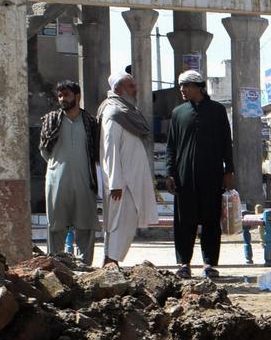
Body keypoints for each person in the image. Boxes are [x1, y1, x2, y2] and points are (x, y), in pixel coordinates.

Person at [162, 69, 236, 279]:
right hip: (184, 177)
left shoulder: (217, 111)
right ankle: (184, 263)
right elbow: (171, 147)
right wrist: (170, 173)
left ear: (199, 87)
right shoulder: (178, 113)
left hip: (212, 175)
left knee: (211, 220)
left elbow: (226, 144)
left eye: (186, 86)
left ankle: (209, 264)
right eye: (181, 86)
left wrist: (228, 170)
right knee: (184, 221)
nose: (182, 90)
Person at [39, 79, 101, 265]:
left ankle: (84, 263)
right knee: (56, 224)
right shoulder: (51, 120)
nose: (62, 99)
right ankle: (57, 263)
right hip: (57, 180)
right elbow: (44, 151)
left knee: (85, 224)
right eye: (59, 96)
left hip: (84, 179)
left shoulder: (90, 122)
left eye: (66, 95)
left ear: (77, 96)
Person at [98, 71, 156, 267]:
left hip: (130, 181)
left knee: (124, 224)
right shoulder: (113, 113)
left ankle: (110, 264)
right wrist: (115, 183)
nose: (135, 89)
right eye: (131, 86)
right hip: (121, 184)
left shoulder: (126, 112)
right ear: (118, 89)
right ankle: (110, 264)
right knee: (118, 224)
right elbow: (109, 149)